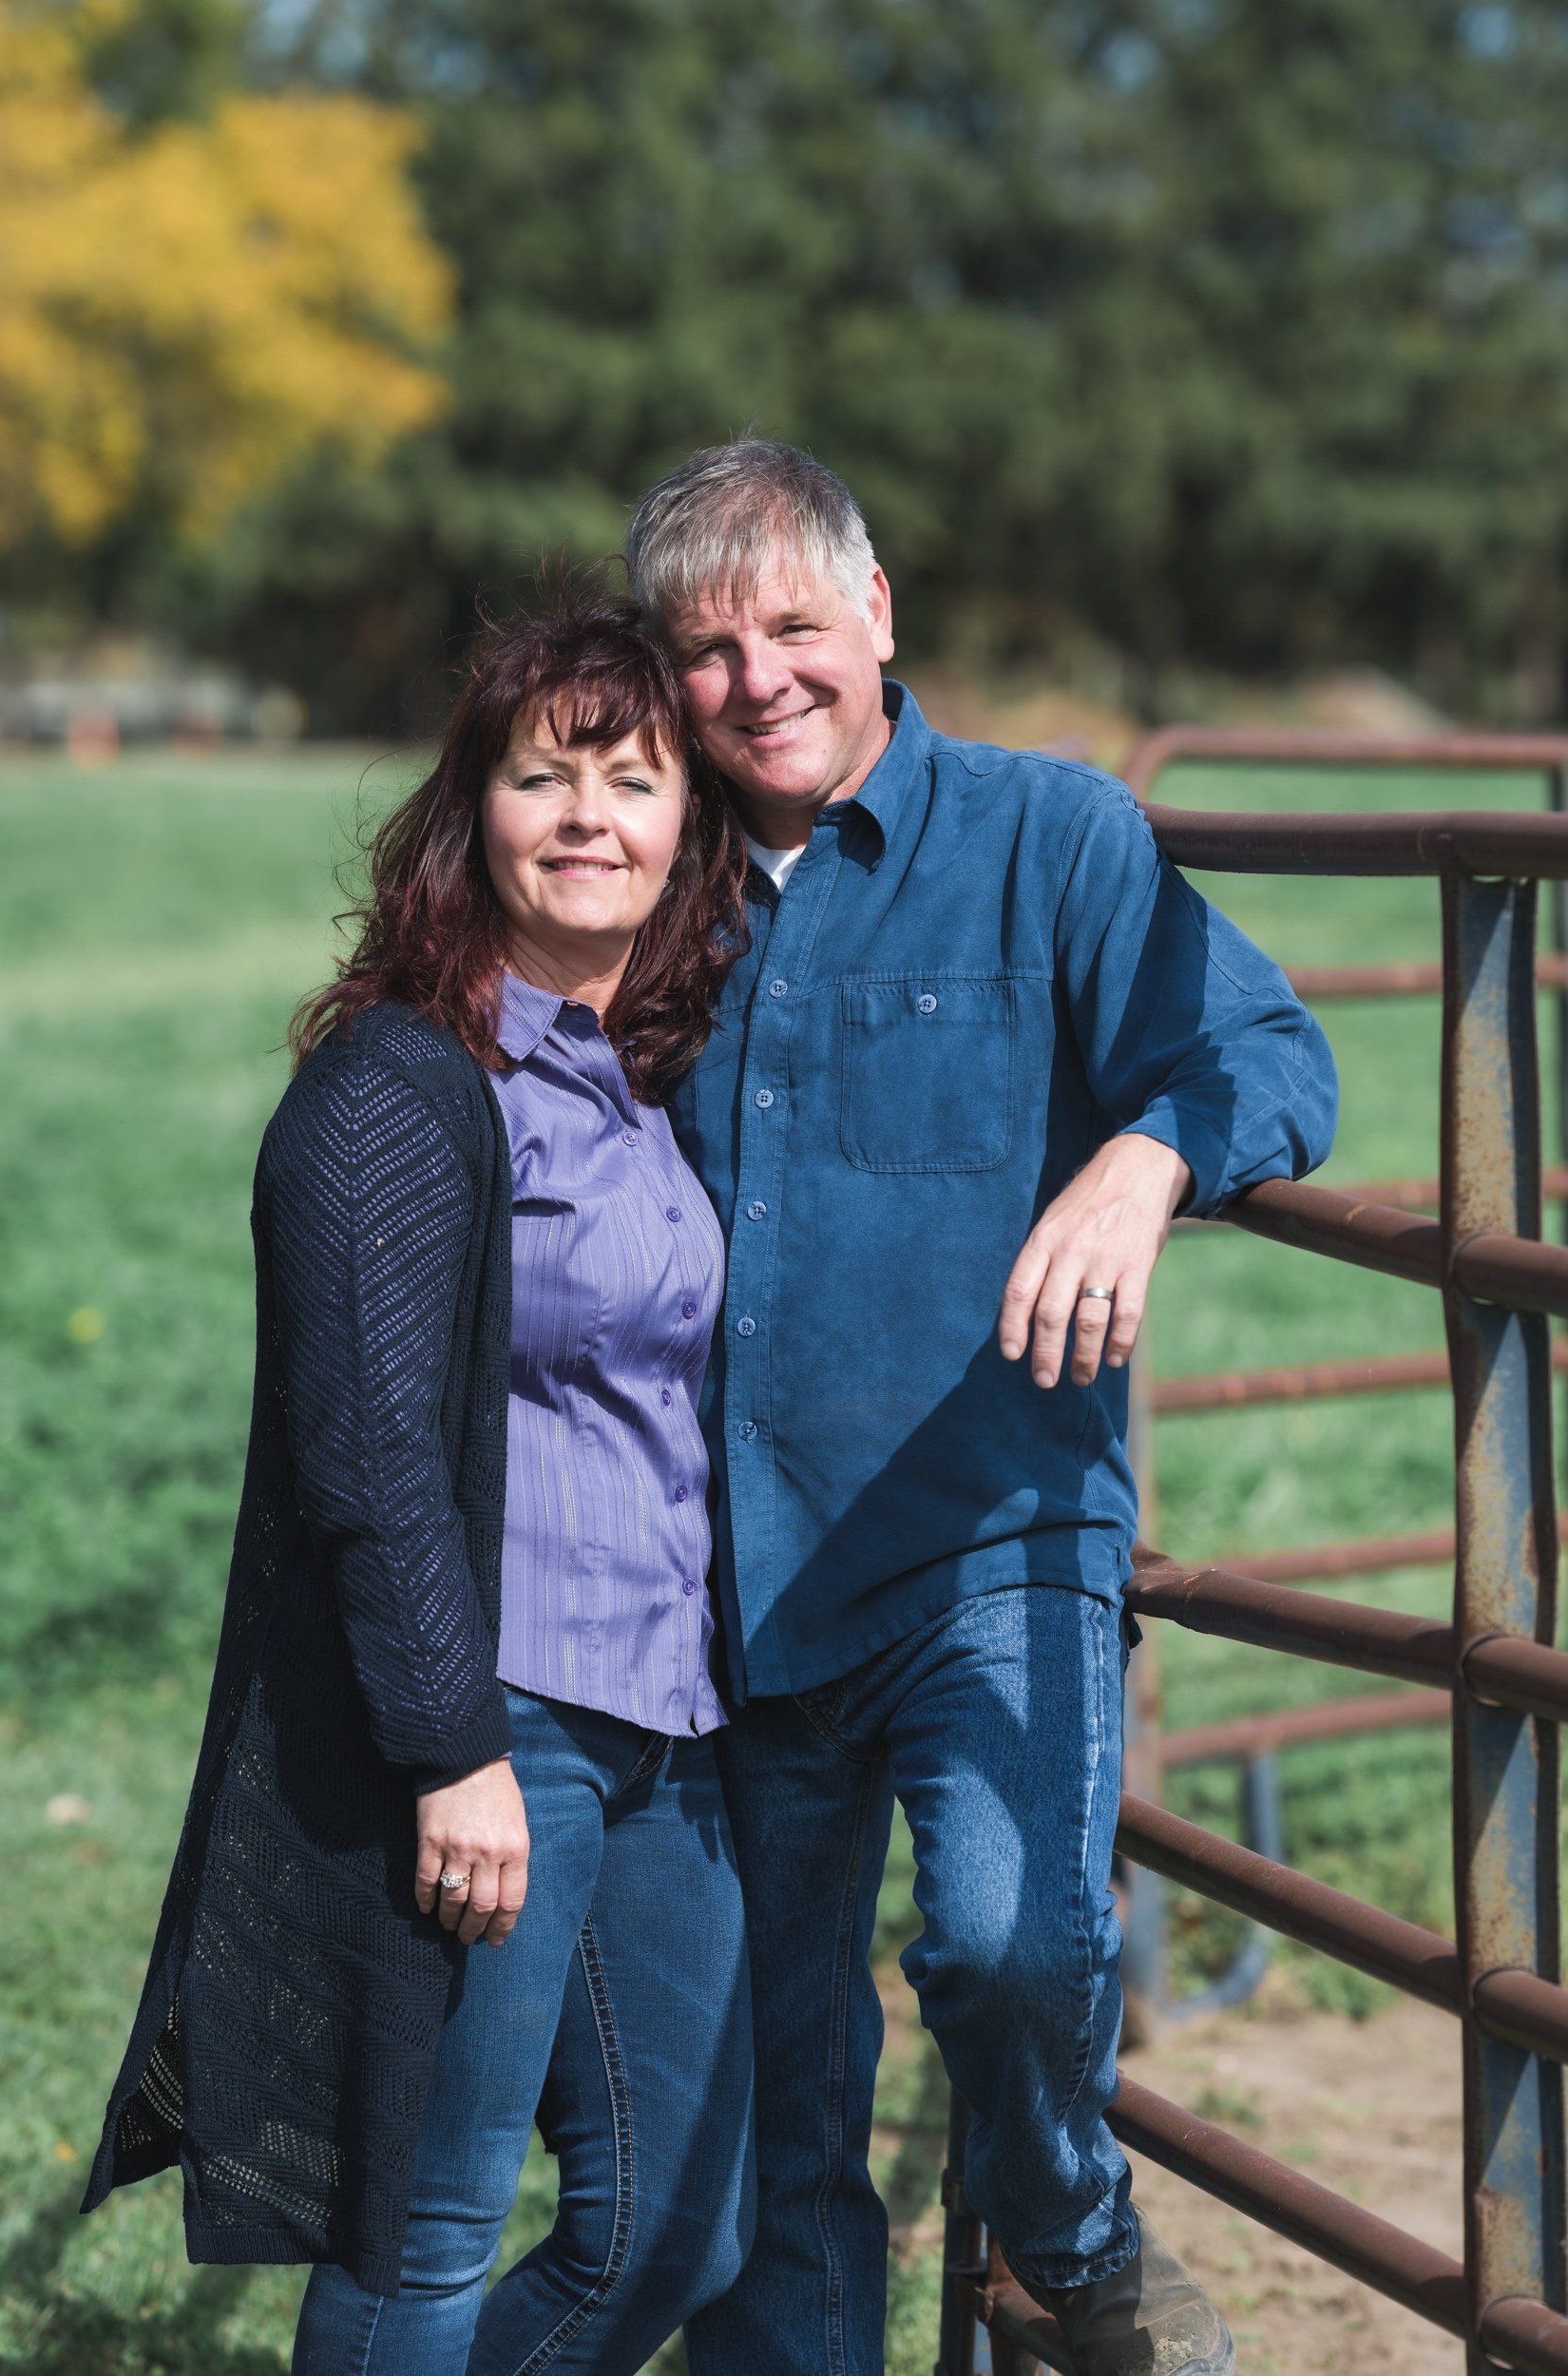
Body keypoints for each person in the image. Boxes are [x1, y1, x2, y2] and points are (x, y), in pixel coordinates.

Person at [625, 440, 1339, 2376]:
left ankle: (1067, 2239)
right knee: (778, 2091)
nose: (756, 676)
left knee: (1015, 1943)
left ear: (877, 617)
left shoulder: (1053, 836)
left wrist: (1146, 1158)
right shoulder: (645, 877)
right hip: (722, 1566)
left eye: (791, 623)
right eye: (705, 647)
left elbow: (1270, 1050)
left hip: (987, 1533)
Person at [82, 593, 756, 2375]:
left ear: (691, 817)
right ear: (478, 814)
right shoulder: (401, 1086)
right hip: (501, 1721)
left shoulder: (642, 1078)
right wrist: (457, 1754)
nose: (593, 817)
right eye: (548, 778)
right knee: (429, 2231)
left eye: (635, 779)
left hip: (671, 1725)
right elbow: (368, 1455)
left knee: (676, 2229)